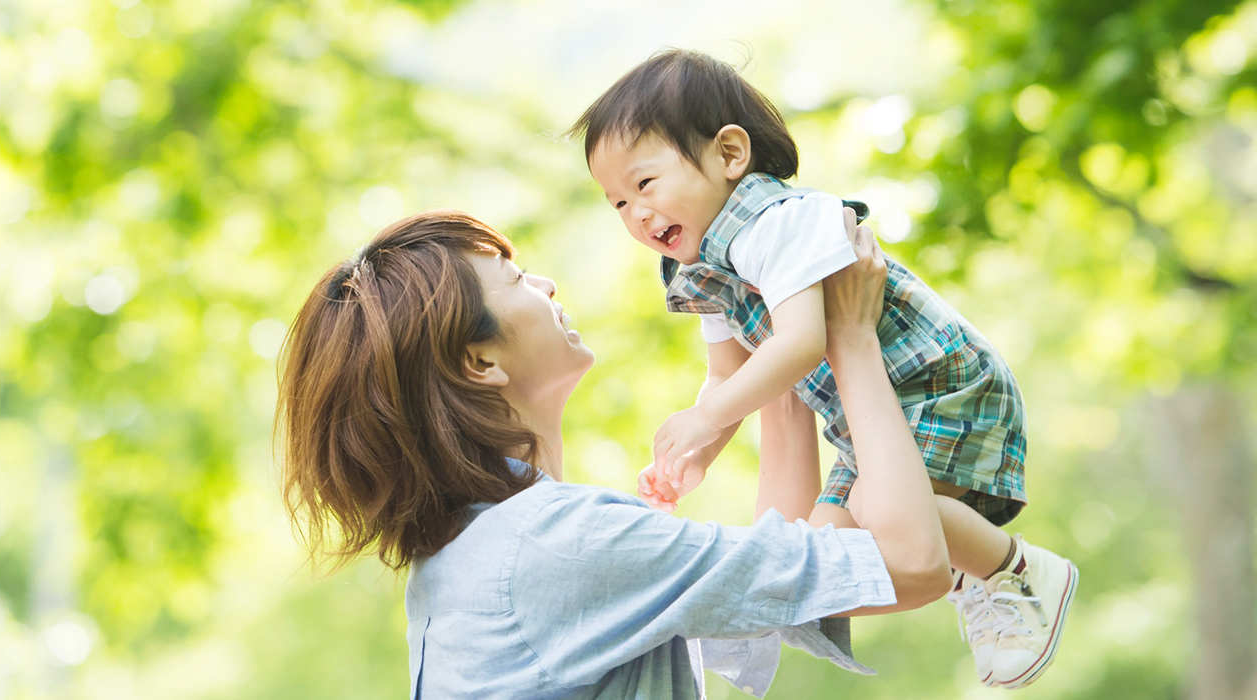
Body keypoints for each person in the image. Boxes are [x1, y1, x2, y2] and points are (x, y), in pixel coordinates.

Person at [277, 209, 949, 698]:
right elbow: (912, 565)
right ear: (477, 360)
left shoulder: (474, 555)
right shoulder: (564, 546)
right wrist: (853, 338)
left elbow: (782, 575)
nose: (544, 284)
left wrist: (780, 367)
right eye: (513, 280)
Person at [571, 49, 1075, 688]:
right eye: (616, 202)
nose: (636, 214)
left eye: (644, 185)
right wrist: (700, 450)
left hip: (939, 384)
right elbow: (728, 375)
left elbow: (803, 342)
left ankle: (1012, 570)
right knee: (826, 556)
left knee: (874, 512)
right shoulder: (699, 270)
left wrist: (706, 417)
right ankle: (961, 567)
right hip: (870, 422)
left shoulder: (780, 222)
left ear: (730, 154)